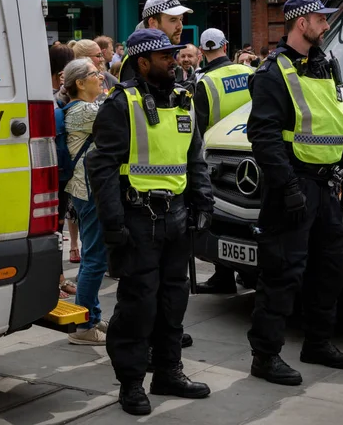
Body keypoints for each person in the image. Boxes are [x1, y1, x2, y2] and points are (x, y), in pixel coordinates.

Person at [87, 29, 214, 416]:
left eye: (174, 56)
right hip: (138, 220)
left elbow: (195, 156)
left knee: (173, 300)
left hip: (177, 218)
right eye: (165, 57)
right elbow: (101, 166)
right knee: (138, 304)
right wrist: (113, 225)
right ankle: (131, 383)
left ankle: (168, 371)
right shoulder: (121, 103)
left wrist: (203, 200)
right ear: (143, 62)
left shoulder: (184, 100)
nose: (174, 61)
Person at [246, 0, 343, 386]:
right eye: (320, 19)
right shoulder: (272, 72)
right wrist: (289, 187)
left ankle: (317, 343)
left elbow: (333, 119)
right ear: (300, 22)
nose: (326, 26)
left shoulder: (324, 65)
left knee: (330, 268)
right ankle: (265, 356)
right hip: (292, 187)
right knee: (281, 273)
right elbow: (264, 137)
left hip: (324, 186)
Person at [194, 28, 254, 294]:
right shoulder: (250, 73)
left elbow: (198, 127)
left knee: (222, 218)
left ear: (202, 51)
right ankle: (249, 274)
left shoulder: (205, 83)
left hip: (218, 159)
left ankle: (224, 276)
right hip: (251, 152)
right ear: (226, 46)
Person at [62, 58, 109, 345]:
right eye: (94, 74)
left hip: (83, 188)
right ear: (80, 83)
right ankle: (83, 327)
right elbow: (117, 112)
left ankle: (91, 314)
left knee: (94, 256)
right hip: (88, 190)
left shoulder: (83, 108)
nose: (101, 76)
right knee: (94, 259)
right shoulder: (84, 111)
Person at [49, 44, 78, 298]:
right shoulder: (51, 102)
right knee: (53, 229)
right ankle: (53, 280)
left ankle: (57, 278)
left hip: (59, 175)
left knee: (56, 229)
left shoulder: (56, 100)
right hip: (56, 176)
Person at [119, 0, 193, 83]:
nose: (180, 26)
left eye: (181, 19)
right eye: (173, 20)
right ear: (152, 23)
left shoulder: (150, 51)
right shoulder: (136, 55)